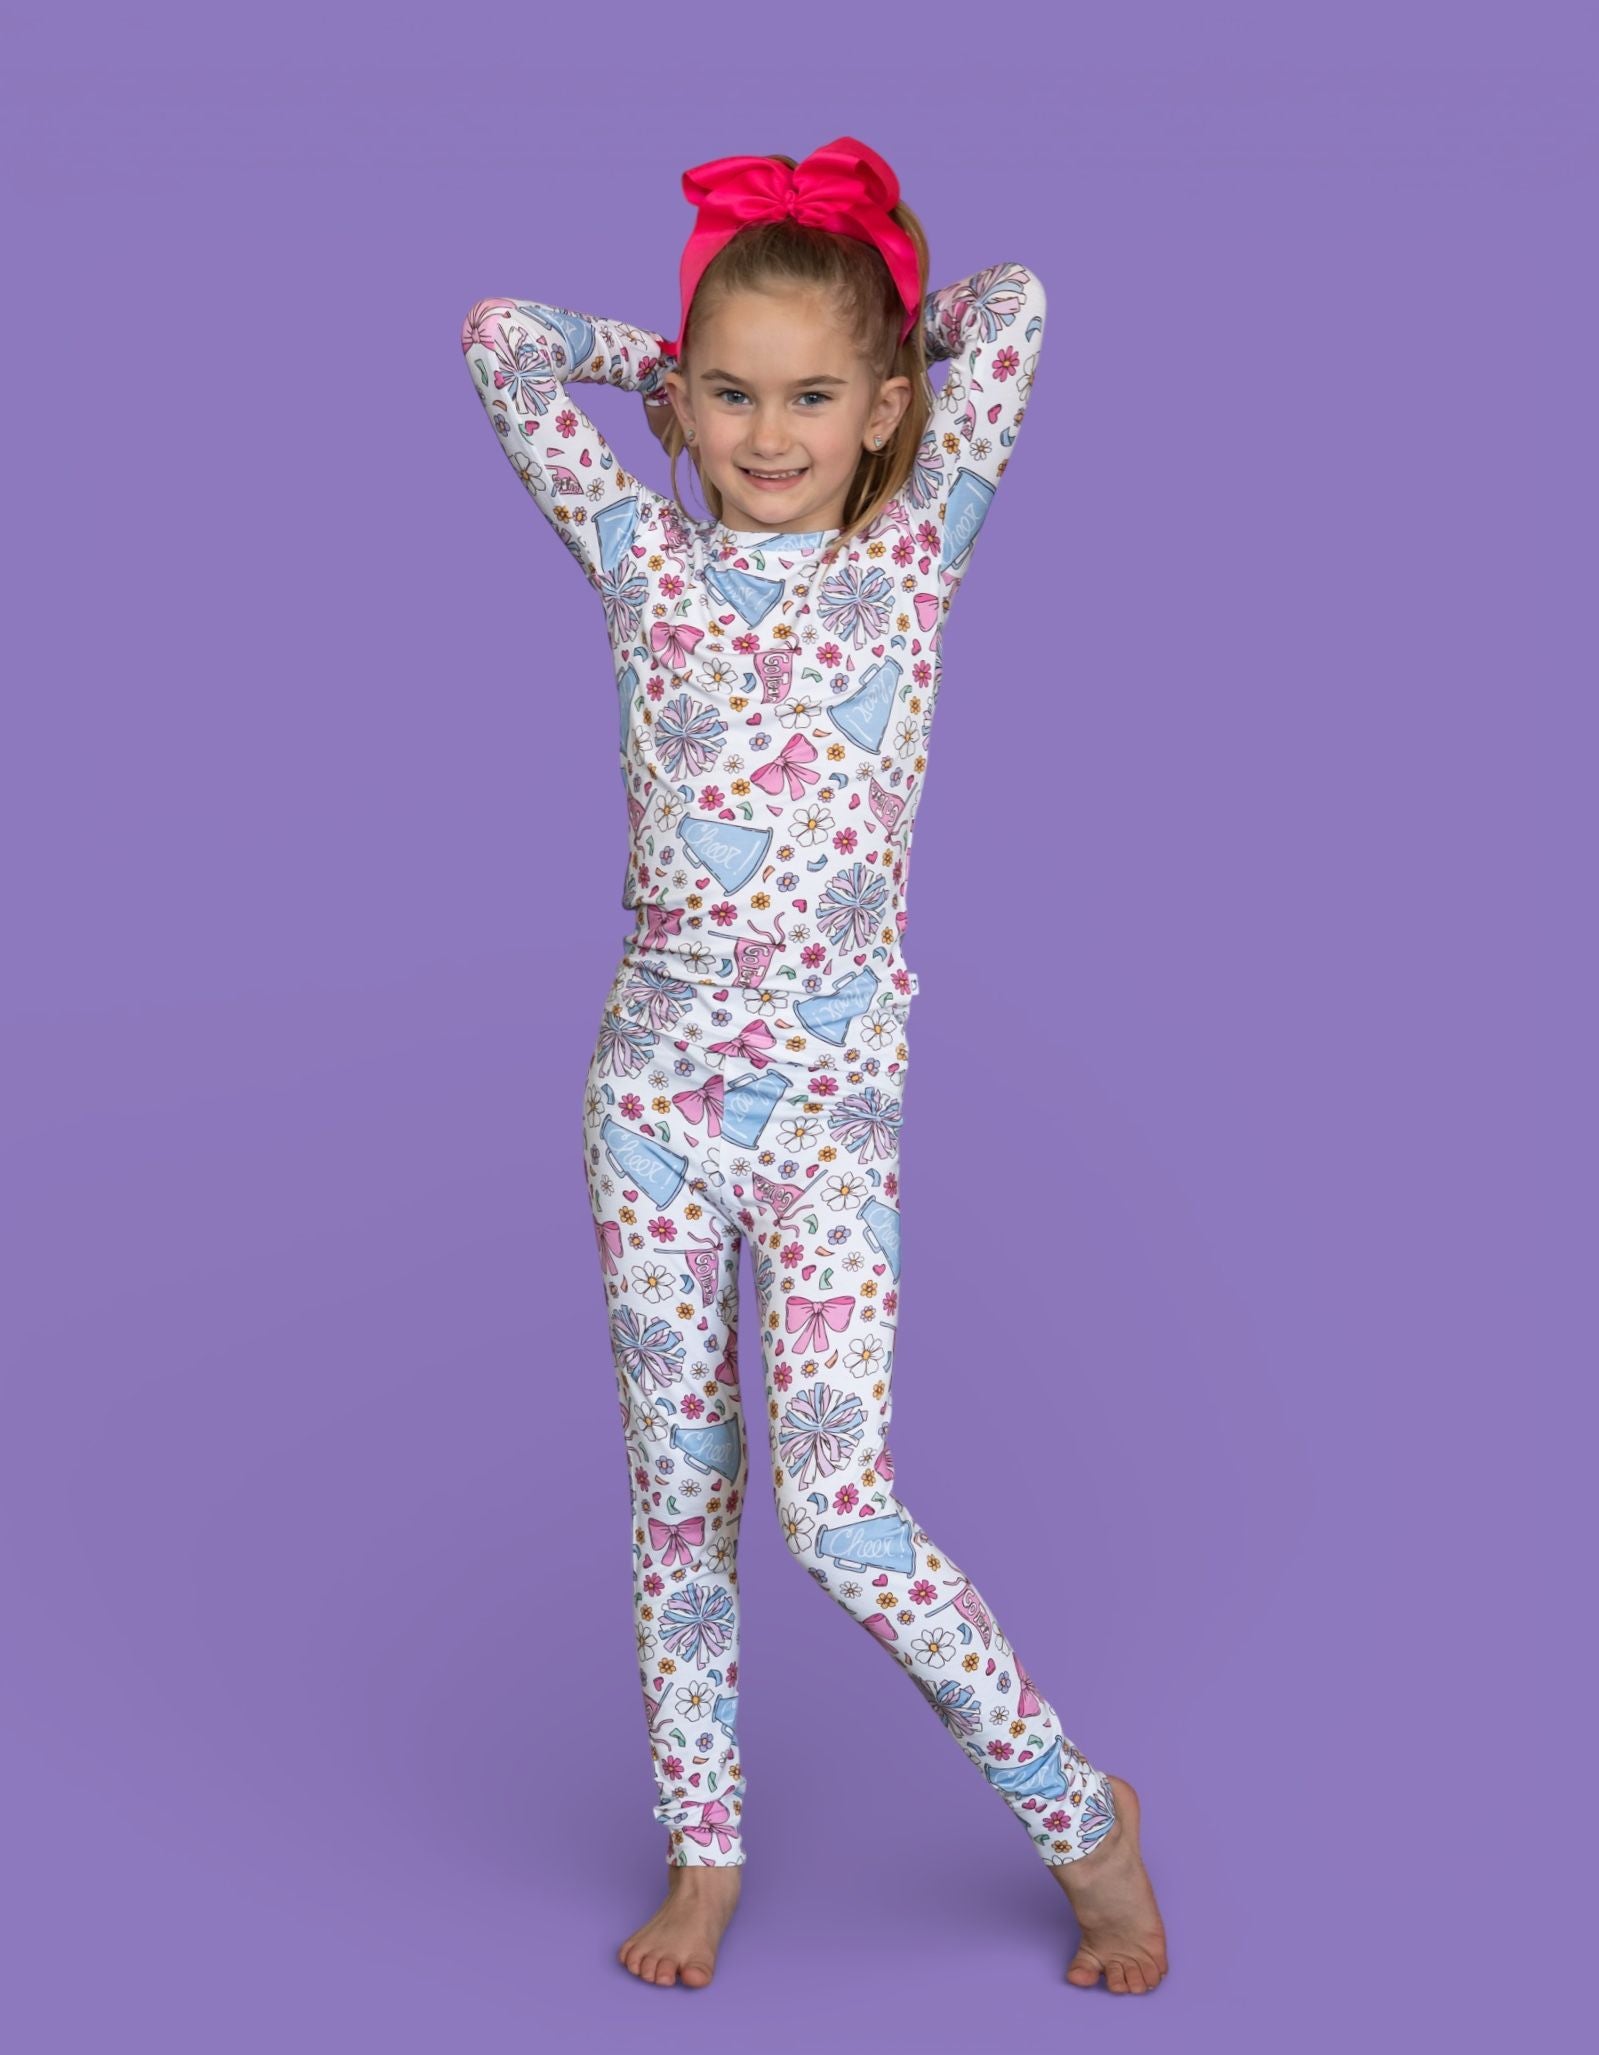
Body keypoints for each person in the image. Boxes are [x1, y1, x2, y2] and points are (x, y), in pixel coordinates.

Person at [460, 135, 1168, 1997]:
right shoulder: (641, 551)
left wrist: (870, 313)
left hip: (827, 1110)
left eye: (811, 396)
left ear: (885, 410)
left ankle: (1080, 1813)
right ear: (686, 408)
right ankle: (705, 1851)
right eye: (733, 395)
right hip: (651, 1098)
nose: (767, 433)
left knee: (838, 1511)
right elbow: (499, 343)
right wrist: (664, 360)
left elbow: (1016, 305)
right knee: (677, 1494)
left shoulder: (916, 554)